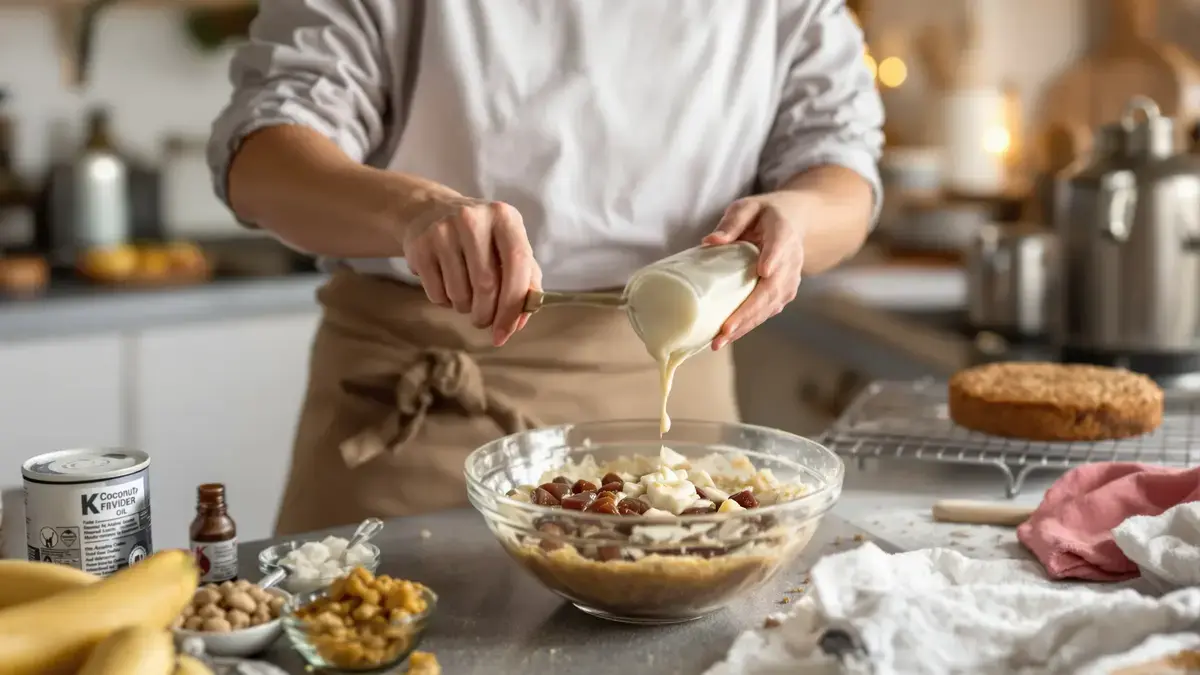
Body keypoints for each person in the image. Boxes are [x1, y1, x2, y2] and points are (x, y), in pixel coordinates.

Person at [208, 0, 884, 535]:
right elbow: (261, 158)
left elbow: (842, 174)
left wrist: (795, 218)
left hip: (677, 441)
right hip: (414, 419)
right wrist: (413, 211)